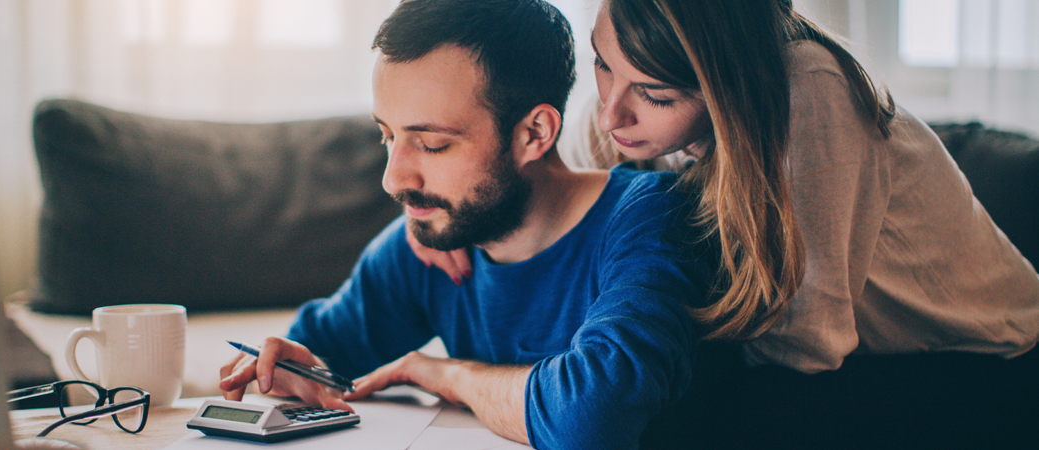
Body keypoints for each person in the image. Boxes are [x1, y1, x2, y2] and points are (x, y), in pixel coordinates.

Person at [411, 0, 1039, 447]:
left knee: (670, 409)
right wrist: (443, 213)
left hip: (983, 362)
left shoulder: (809, 92)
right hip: (848, 356)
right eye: (604, 65)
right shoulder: (627, 94)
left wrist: (616, 360)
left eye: (655, 96)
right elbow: (549, 190)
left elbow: (809, 341)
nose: (610, 115)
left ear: (727, 89)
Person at [218, 1, 717, 448]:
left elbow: (593, 419)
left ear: (533, 133)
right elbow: (319, 358)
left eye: (432, 143)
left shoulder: (651, 219)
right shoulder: (431, 240)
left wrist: (449, 375)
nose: (394, 180)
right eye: (387, 136)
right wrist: (283, 367)